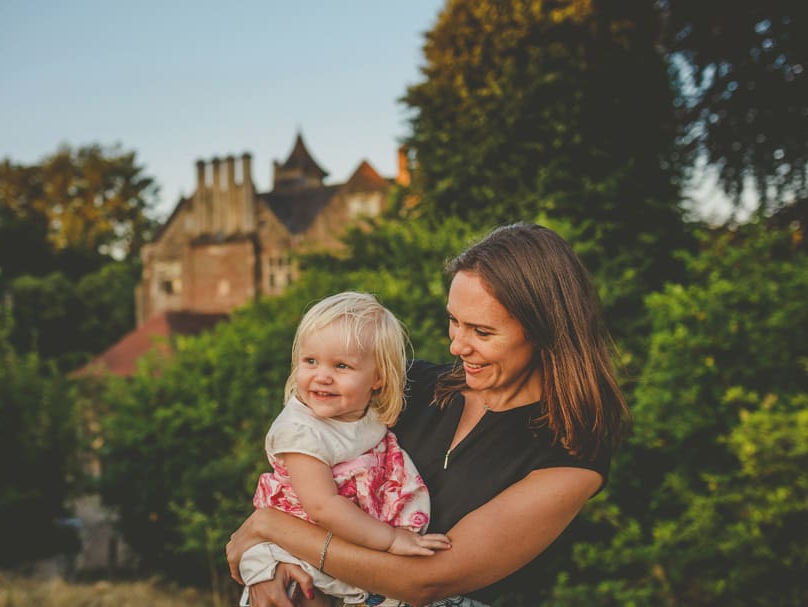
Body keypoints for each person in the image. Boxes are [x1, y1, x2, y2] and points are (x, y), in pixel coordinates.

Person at [227, 223, 631, 607]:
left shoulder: (569, 450)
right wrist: (267, 562)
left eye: (482, 332)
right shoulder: (410, 386)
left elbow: (425, 581)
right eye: (454, 321)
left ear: (545, 330)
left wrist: (273, 528)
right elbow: (306, 472)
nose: (457, 345)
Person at [239, 291, 452, 607]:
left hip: (344, 545)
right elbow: (323, 506)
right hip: (296, 549)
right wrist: (391, 538)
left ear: (377, 378)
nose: (322, 376)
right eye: (310, 361)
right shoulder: (301, 431)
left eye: (341, 366)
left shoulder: (367, 416)